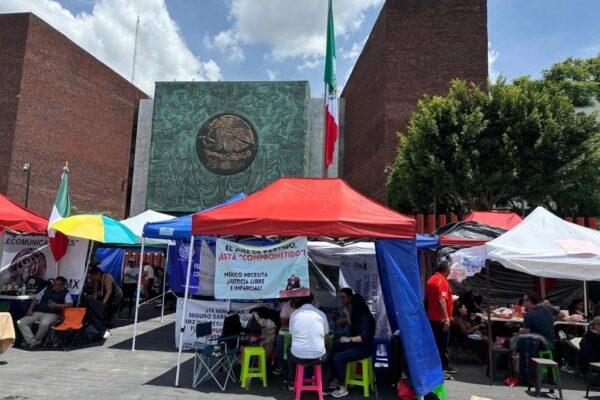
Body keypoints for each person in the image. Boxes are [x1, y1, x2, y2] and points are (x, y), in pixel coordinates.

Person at [329, 294, 375, 398]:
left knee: (338, 357)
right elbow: (352, 324)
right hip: (356, 345)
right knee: (335, 345)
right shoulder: (359, 313)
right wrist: (347, 314)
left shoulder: (364, 317)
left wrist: (348, 339)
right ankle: (335, 378)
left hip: (363, 348)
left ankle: (342, 387)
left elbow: (363, 337)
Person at [514, 292, 564, 383]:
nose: (523, 303)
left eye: (524, 301)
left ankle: (523, 374)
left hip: (540, 343)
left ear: (530, 301)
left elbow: (526, 331)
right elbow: (562, 315)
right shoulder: (548, 307)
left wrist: (520, 329)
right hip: (551, 341)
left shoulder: (529, 314)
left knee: (516, 340)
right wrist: (551, 321)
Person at [286, 296, 330, 393]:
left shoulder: (294, 314)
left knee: (289, 347)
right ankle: (325, 387)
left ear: (300, 302)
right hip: (318, 357)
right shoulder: (321, 314)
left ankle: (292, 381)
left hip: (297, 357)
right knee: (330, 352)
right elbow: (326, 337)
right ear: (313, 301)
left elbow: (292, 334)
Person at [16, 276, 73, 349]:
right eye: (55, 284)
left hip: (53, 314)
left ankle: (36, 339)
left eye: (59, 285)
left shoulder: (66, 292)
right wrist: (30, 309)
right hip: (39, 311)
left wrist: (58, 305)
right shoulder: (47, 288)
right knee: (20, 322)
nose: (56, 286)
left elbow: (70, 304)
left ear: (63, 285)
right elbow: (36, 298)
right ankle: (32, 341)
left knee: (44, 323)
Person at [426, 261, 456, 377]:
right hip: (441, 319)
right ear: (446, 270)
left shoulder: (431, 279)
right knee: (442, 344)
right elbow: (441, 300)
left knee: (436, 343)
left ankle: (439, 366)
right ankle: (442, 367)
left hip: (432, 317)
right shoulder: (441, 281)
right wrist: (447, 319)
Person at [89, 265, 123, 331]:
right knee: (102, 309)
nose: (93, 278)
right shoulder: (95, 279)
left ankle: (108, 328)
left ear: (98, 273)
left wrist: (102, 304)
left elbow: (109, 291)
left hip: (115, 294)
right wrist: (94, 303)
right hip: (106, 293)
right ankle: (102, 325)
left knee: (111, 310)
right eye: (92, 276)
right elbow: (95, 292)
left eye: (93, 276)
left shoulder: (107, 277)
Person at [273, 299, 292, 376]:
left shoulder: (313, 301)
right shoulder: (287, 305)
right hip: (287, 330)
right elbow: (283, 323)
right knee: (280, 338)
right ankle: (282, 367)